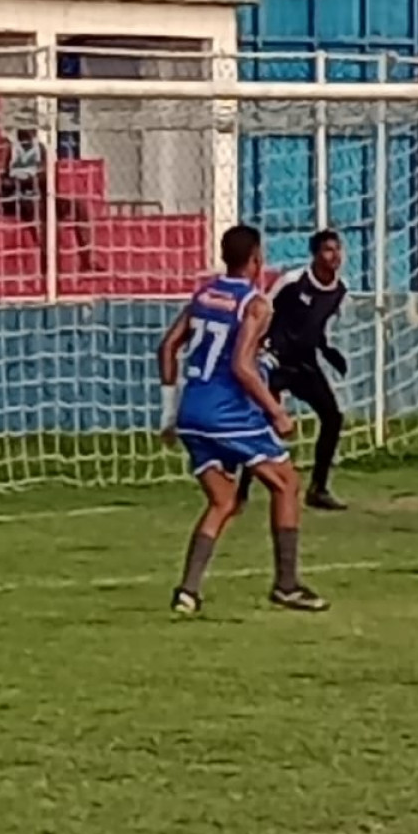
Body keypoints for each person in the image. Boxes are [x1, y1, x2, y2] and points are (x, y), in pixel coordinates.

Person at [157, 224, 328, 615]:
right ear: (256, 259)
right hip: (227, 412)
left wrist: (168, 414)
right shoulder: (255, 304)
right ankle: (286, 585)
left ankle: (188, 590)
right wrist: (276, 410)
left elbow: (167, 346)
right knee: (287, 484)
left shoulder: (204, 295)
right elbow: (241, 366)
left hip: (191, 413)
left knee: (224, 500)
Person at [240, 229, 352, 511]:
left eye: (338, 249)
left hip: (304, 363)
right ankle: (240, 489)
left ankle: (319, 488)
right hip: (275, 359)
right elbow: (261, 309)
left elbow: (317, 326)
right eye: (328, 250)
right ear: (315, 255)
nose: (335, 255)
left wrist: (328, 351)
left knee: (332, 417)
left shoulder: (340, 290)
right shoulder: (293, 281)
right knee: (260, 420)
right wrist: (255, 348)